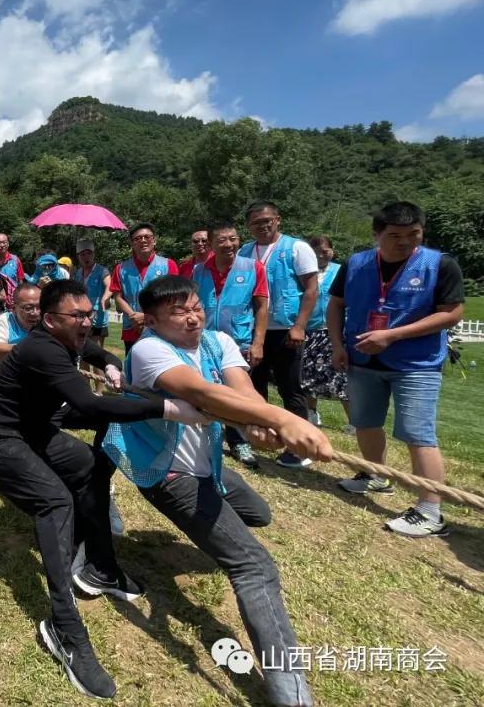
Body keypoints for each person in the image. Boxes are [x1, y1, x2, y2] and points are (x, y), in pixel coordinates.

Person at [0, 279, 205, 700]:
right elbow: (90, 404)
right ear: (50, 319)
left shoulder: (71, 339)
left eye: (89, 314)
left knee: (90, 466)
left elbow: (95, 352)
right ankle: (64, 626)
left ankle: (99, 567)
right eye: (76, 316)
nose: (86, 322)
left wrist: (111, 362)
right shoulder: (43, 348)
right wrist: (167, 407)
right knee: (54, 501)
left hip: (33, 429)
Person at [107, 275, 331, 707]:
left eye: (196, 307)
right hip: (171, 474)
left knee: (259, 514)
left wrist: (258, 422)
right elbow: (203, 393)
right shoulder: (149, 350)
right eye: (178, 312)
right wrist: (285, 419)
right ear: (151, 321)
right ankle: (291, 689)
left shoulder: (218, 341)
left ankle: (216, 518)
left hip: (209, 466)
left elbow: (241, 392)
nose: (193, 318)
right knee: (254, 565)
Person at [328, 202, 464, 538]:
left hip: (416, 364)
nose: (405, 242)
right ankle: (376, 476)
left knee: (418, 434)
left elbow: (451, 313)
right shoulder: (356, 263)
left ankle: (430, 511)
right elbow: (336, 304)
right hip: (362, 360)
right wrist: (337, 345)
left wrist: (392, 335)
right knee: (364, 422)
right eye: (395, 236)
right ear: (377, 235)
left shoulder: (440, 264)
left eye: (413, 234)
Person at [240, 201, 319, 469]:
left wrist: (299, 326)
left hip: (286, 329)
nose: (262, 226)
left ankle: (300, 446)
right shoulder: (245, 251)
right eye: (256, 222)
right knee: (256, 385)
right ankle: (264, 435)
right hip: (254, 329)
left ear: (278, 219)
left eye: (267, 220)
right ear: (248, 226)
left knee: (290, 387)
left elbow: (311, 289)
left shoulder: (297, 248)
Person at [191, 222, 270, 469]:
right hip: (204, 340)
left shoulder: (253, 267)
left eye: (233, 239)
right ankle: (204, 436)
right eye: (222, 240)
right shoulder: (199, 271)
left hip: (239, 341)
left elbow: (262, 307)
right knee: (205, 389)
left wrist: (258, 343)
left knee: (236, 393)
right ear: (211, 244)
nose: (229, 244)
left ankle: (239, 441)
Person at [300, 235, 351, 428]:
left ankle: (354, 421)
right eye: (315, 252)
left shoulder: (341, 271)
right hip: (310, 330)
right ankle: (311, 413)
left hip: (335, 331)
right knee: (307, 375)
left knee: (341, 377)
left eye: (324, 251)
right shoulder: (304, 272)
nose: (320, 255)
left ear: (332, 251)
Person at [110, 222, 179, 353]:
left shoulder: (169, 265)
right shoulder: (121, 268)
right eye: (137, 238)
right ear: (132, 243)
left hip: (160, 327)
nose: (143, 240)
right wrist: (134, 316)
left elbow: (173, 297)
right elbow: (118, 297)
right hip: (132, 327)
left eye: (147, 237)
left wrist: (146, 316)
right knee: (133, 362)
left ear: (154, 241)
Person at [0, 282, 42, 363]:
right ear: (14, 308)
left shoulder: (47, 319)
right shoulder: (7, 320)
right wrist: (29, 347)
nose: (35, 313)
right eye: (28, 308)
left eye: (40, 307)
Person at [72, 240, 111, 347]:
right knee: (81, 350)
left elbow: (109, 285)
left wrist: (105, 297)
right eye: (82, 254)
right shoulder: (77, 273)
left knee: (96, 351)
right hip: (81, 318)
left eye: (89, 253)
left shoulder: (102, 271)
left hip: (98, 318)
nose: (86, 257)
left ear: (93, 254)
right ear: (78, 256)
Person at [0, 233, 25, 311]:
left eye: (4, 242)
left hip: (12, 303)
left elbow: (20, 281)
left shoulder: (15, 260)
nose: (2, 245)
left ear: (8, 244)